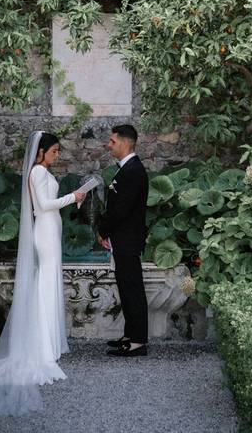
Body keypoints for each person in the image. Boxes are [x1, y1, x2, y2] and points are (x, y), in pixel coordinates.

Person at [0, 131, 85, 416]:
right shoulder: (37, 172)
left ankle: (48, 341)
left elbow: (52, 205)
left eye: (58, 151)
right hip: (45, 231)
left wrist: (75, 199)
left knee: (49, 283)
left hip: (52, 230)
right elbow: (43, 206)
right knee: (46, 284)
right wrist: (70, 196)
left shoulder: (42, 171)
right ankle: (41, 345)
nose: (57, 155)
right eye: (54, 151)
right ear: (40, 153)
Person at [97, 124, 150, 357]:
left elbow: (121, 209)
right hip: (123, 239)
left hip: (128, 239)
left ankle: (137, 341)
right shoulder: (126, 169)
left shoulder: (133, 171)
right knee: (126, 288)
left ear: (125, 143)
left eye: (112, 141)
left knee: (132, 289)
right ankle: (130, 335)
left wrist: (102, 229)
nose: (109, 145)